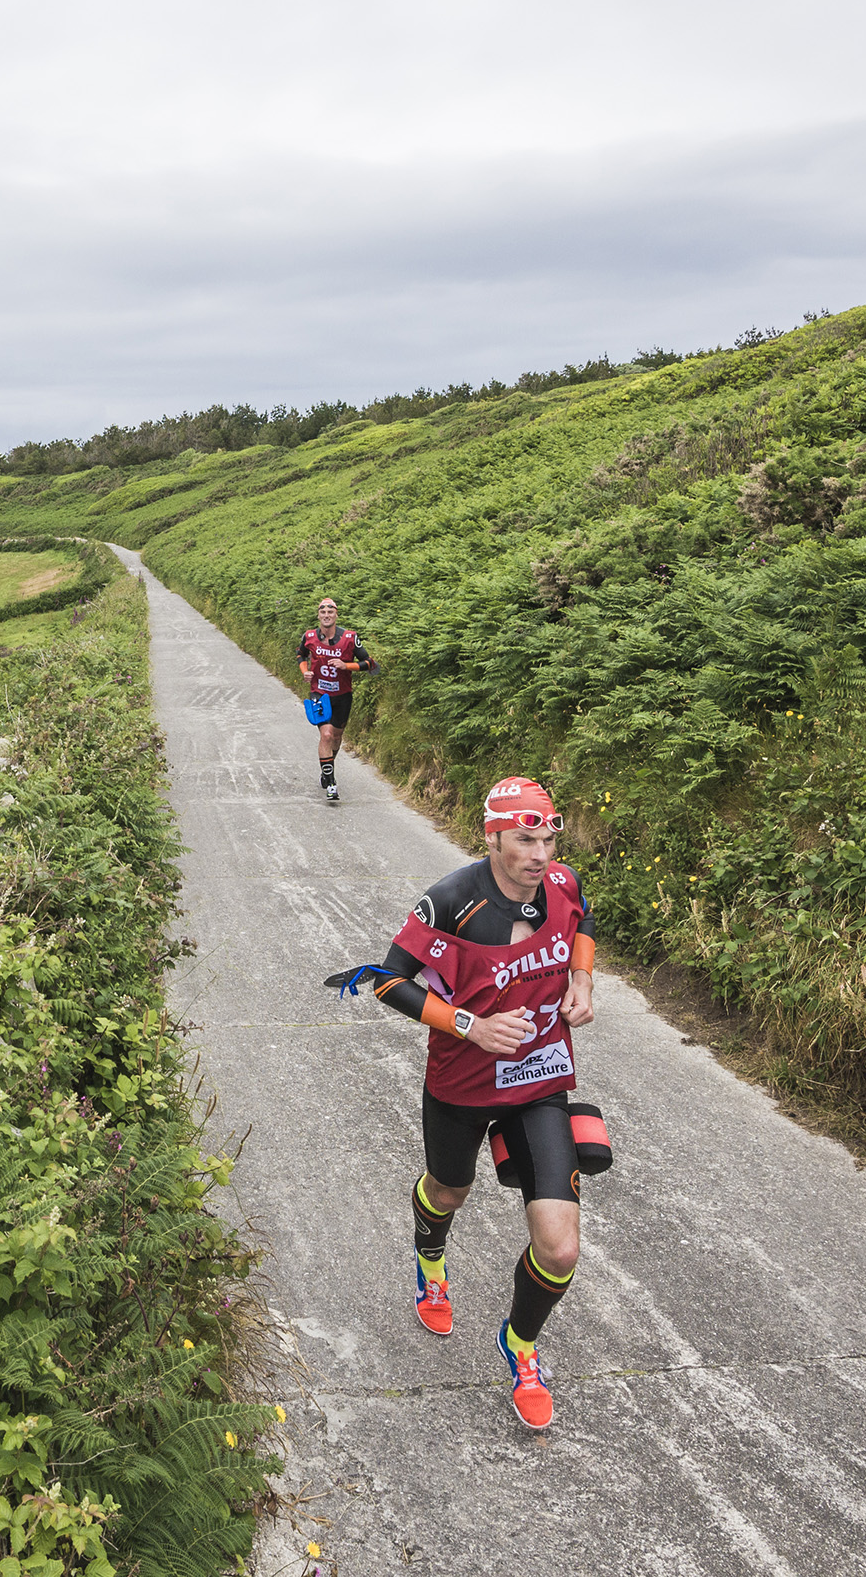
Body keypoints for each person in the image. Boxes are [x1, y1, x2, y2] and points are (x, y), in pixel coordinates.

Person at [366, 776, 596, 1429]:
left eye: (549, 836)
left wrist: (582, 978)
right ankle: (430, 1259)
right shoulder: (452, 902)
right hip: (463, 1080)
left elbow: (583, 921)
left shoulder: (563, 884)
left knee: (560, 1248)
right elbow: (388, 981)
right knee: (449, 1188)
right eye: (525, 838)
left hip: (541, 1080)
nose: (540, 852)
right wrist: (471, 1025)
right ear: (493, 835)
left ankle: (521, 1344)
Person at [297, 598, 375, 801]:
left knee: (337, 737)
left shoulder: (349, 638)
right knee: (327, 734)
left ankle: (326, 769)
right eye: (323, 613)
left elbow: (370, 663)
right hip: (319, 694)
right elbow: (300, 655)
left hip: (342, 696)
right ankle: (331, 782)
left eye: (330, 612)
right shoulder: (309, 636)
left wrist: (346, 666)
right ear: (318, 616)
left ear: (336, 615)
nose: (326, 616)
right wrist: (305, 671)